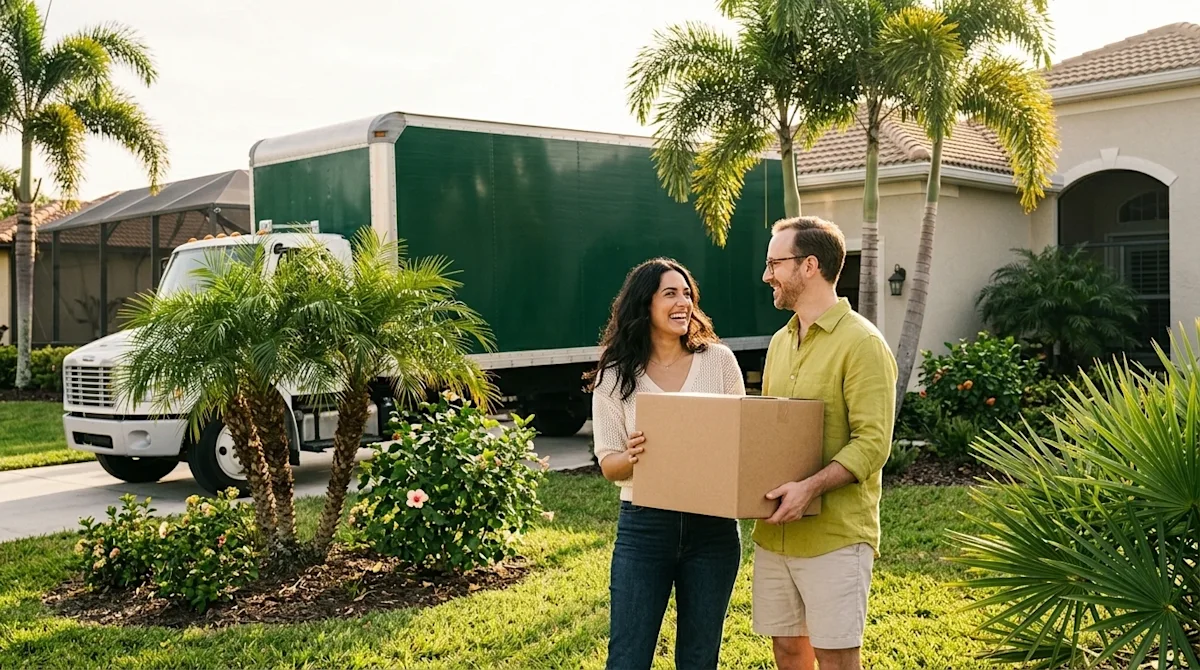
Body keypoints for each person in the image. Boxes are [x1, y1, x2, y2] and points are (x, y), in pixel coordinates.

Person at [753, 216, 898, 670]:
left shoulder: (863, 344)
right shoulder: (780, 342)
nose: (766, 275)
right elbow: (769, 429)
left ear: (809, 265)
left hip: (836, 536)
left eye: (775, 263)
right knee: (788, 649)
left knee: (835, 656)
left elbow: (873, 444)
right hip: (775, 534)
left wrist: (809, 489)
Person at [588, 257, 746, 670]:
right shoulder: (616, 375)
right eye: (670, 293)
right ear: (644, 304)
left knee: (698, 658)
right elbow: (610, 465)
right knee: (628, 657)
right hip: (645, 528)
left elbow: (743, 441)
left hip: (712, 528)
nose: (683, 303)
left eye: (687, 294)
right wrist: (634, 455)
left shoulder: (719, 362)